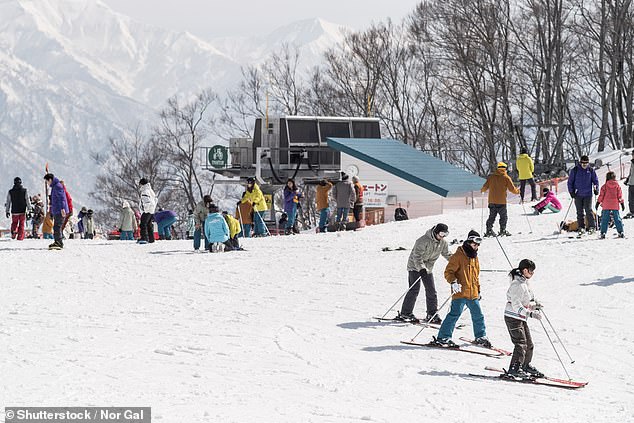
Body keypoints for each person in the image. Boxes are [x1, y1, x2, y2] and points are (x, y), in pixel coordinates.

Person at [433, 230, 490, 348]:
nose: (476, 247)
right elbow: (448, 272)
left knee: (478, 315)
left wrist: (478, 290)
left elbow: (475, 276)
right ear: (469, 242)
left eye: (478, 245)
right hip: (460, 292)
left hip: (472, 293)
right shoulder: (458, 256)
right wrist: (453, 282)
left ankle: (480, 336)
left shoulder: (474, 257)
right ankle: (443, 337)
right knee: (454, 314)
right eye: (475, 244)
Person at [398, 223, 452, 324]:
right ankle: (406, 312)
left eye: (445, 234)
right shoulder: (422, 240)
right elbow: (416, 256)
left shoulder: (443, 243)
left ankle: (432, 314)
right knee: (414, 289)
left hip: (427, 269)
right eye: (441, 234)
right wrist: (421, 268)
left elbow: (447, 254)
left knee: (431, 290)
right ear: (436, 232)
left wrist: (457, 262)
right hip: (415, 266)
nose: (442, 236)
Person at [503, 259, 544, 379]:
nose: (532, 273)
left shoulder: (524, 282)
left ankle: (525, 365)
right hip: (512, 317)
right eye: (531, 271)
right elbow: (516, 306)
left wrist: (533, 305)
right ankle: (514, 368)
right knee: (520, 343)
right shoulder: (517, 284)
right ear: (524, 270)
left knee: (529, 344)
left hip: (520, 317)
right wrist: (530, 314)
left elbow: (524, 302)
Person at [481, 162, 520, 237]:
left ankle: (488, 230)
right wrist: (518, 192)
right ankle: (502, 230)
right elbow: (512, 189)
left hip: (491, 200)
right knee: (503, 217)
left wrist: (482, 190)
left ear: (497, 168)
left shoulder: (491, 177)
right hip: (501, 201)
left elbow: (485, 187)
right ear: (505, 168)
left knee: (492, 216)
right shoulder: (506, 178)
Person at [567, 155, 599, 234]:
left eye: (586, 163)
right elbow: (570, 182)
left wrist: (596, 189)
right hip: (578, 194)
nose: (584, 164)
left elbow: (595, 181)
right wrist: (571, 192)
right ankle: (581, 227)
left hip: (588, 194)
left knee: (588, 210)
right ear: (580, 163)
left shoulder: (591, 170)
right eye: (583, 163)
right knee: (579, 211)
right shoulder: (575, 170)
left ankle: (592, 227)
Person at [596, 171, 625, 239]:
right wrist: (622, 203)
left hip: (606, 205)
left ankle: (603, 232)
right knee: (617, 218)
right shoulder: (617, 186)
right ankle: (620, 232)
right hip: (615, 205)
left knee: (605, 219)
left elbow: (601, 196)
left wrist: (598, 203)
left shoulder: (604, 186)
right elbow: (619, 196)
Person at [44, 173, 69, 249]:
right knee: (56, 227)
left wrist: (62, 209)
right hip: (57, 210)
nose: (47, 184)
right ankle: (58, 241)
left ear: (50, 180)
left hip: (60, 210)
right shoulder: (55, 187)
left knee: (57, 227)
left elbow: (62, 199)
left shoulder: (57, 186)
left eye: (47, 182)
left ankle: (58, 242)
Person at [138, 178, 157, 244]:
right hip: (151, 210)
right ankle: (151, 238)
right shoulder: (150, 190)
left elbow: (146, 201)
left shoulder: (145, 191)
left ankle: (144, 238)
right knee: (149, 225)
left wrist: (145, 209)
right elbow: (155, 199)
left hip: (147, 210)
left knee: (143, 224)